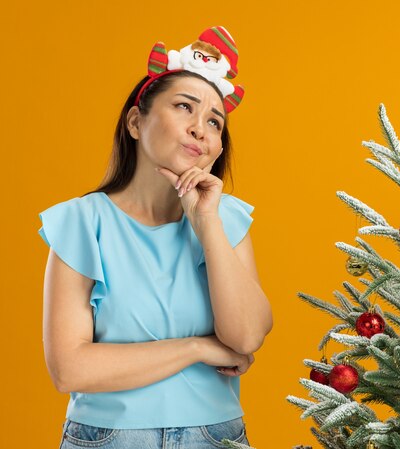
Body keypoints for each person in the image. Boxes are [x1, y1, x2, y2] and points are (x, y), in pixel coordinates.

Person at [37, 26, 272, 448]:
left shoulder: (227, 219)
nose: (201, 129)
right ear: (134, 121)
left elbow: (247, 337)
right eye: (185, 107)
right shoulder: (80, 223)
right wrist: (197, 350)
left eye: (215, 122)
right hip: (107, 439)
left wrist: (207, 224)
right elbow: (70, 369)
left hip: (215, 437)